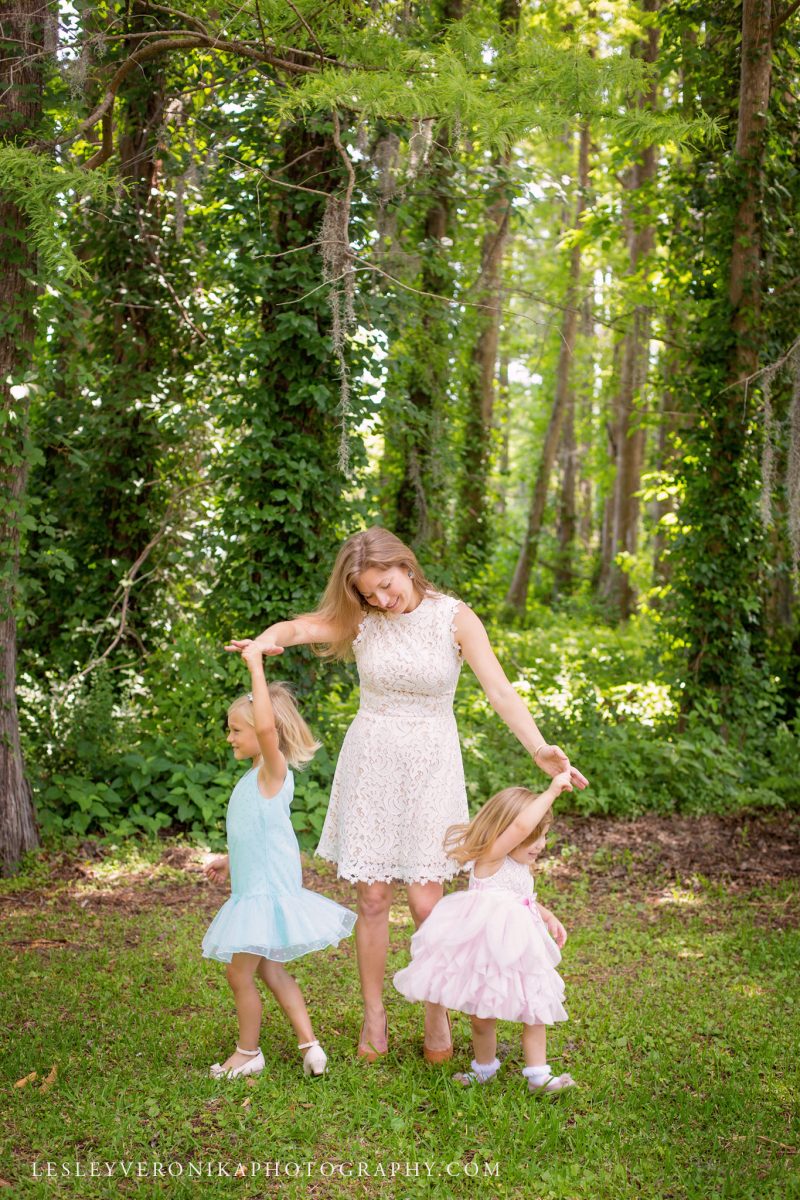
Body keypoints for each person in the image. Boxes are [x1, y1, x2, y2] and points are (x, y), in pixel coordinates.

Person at [226, 526, 588, 1064]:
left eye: (386, 586)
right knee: (372, 898)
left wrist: (538, 748)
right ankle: (375, 1014)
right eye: (368, 593)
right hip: (372, 757)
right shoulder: (363, 618)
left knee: (426, 902)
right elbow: (301, 627)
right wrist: (266, 640)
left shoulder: (454, 618)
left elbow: (499, 690)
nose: (380, 599)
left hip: (431, 762)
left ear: (406, 566)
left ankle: (435, 1008)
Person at [202, 642, 356, 1079]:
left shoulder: (273, 770)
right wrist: (230, 861)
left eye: (236, 729)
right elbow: (259, 835)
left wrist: (254, 664)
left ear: (263, 731)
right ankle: (310, 1046)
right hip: (256, 887)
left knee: (239, 975)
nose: (229, 736)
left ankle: (248, 1054)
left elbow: (268, 731)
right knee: (272, 970)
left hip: (263, 895)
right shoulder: (254, 780)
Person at [394, 775, 577, 1093]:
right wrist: (551, 791)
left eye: (544, 836)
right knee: (482, 1017)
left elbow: (523, 897)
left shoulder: (519, 865)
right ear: (504, 830)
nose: (541, 845)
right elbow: (520, 828)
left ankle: (538, 1075)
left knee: (534, 1009)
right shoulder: (491, 857)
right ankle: (484, 1068)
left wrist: (547, 916)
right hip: (487, 955)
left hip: (520, 952)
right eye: (535, 837)